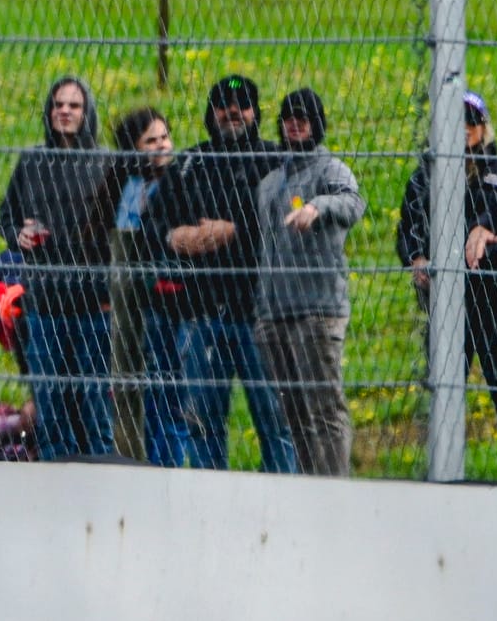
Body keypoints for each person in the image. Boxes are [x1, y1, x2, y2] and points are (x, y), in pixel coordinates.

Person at [145, 74, 295, 473]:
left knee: (277, 424)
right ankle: (208, 506)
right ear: (210, 113)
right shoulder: (191, 163)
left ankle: (282, 502)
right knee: (203, 425)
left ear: (256, 112)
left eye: (243, 103)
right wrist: (183, 237)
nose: (233, 111)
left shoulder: (276, 161)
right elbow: (156, 225)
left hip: (262, 316)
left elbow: (288, 223)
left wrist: (233, 232)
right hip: (201, 315)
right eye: (223, 105)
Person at [395, 90, 497, 473]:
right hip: (446, 300)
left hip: (495, 297)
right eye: (455, 121)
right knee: (445, 390)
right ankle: (441, 473)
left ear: (483, 127)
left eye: (472, 121)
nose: (464, 129)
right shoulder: (425, 176)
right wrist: (417, 258)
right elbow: (408, 227)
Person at [0, 74, 113, 460]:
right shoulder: (32, 160)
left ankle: (101, 469)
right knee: (50, 401)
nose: (64, 111)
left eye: (74, 106)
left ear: (87, 113)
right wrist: (19, 235)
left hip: (93, 304)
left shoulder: (106, 163)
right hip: (43, 302)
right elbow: (6, 217)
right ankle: (54, 472)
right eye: (58, 105)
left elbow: (125, 229)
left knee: (95, 401)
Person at [255, 88, 367, 477]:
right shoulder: (270, 182)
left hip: (318, 311)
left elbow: (354, 204)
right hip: (274, 314)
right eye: (288, 118)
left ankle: (333, 488)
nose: (295, 124)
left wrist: (319, 206)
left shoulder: (330, 170)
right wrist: (262, 313)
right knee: (294, 413)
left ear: (317, 123)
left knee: (324, 409)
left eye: (303, 117)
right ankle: (306, 486)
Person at [97, 107, 187, 466]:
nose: (162, 145)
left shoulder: (180, 182)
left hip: (166, 303)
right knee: (130, 391)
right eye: (150, 140)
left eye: (164, 136)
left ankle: (167, 466)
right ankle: (134, 461)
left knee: (167, 394)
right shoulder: (123, 186)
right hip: (126, 306)